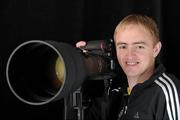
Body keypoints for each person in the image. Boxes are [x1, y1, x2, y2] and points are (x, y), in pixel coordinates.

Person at [68, 14, 180, 120]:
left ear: (155, 49)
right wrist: (77, 66)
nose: (130, 55)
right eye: (123, 47)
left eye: (139, 47)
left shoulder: (166, 92)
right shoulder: (116, 95)